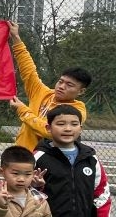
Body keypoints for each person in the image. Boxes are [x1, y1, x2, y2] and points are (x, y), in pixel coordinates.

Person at [6, 21, 91, 150]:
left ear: (81, 91)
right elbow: (28, 70)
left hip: (48, 158)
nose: (62, 86)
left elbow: (49, 131)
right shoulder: (42, 92)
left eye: (69, 85)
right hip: (22, 153)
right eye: (61, 81)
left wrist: (23, 110)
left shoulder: (77, 110)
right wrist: (16, 38)